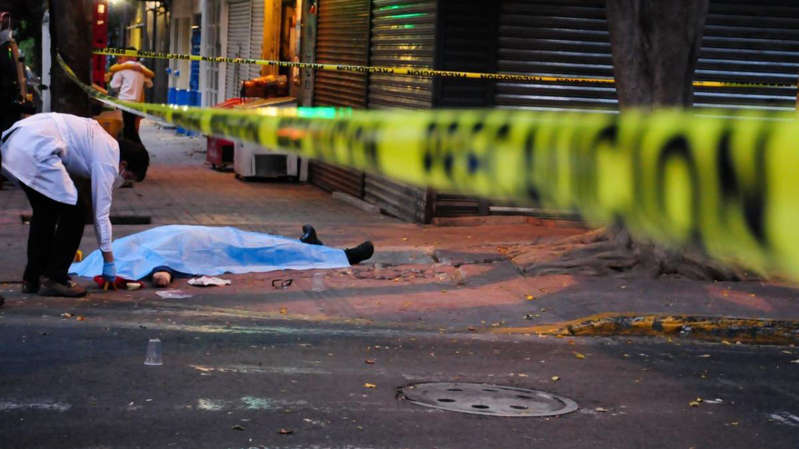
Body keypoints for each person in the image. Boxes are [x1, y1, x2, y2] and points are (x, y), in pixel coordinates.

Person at [0, 112, 150, 297]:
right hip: (35, 149)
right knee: (76, 212)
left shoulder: (100, 140)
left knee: (45, 212)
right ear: (123, 164)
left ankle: (32, 278)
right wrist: (109, 262)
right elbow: (100, 215)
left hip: (14, 145)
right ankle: (56, 277)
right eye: (127, 176)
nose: (121, 180)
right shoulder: (109, 157)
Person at [108, 48, 153, 145]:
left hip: (124, 102)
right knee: (132, 128)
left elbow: (114, 86)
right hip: (137, 103)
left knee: (126, 129)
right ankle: (135, 150)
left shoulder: (121, 68)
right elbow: (150, 84)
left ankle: (135, 151)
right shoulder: (142, 69)